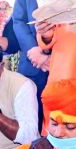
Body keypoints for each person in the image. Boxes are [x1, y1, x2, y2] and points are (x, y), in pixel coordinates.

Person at [34, 1, 76, 135]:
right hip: (62, 79)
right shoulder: (63, 4)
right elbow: (49, 37)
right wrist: (46, 35)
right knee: (57, 135)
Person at [12, 0, 48, 133]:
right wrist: (33, 49)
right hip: (32, 61)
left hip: (67, 59)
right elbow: (19, 21)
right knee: (31, 119)